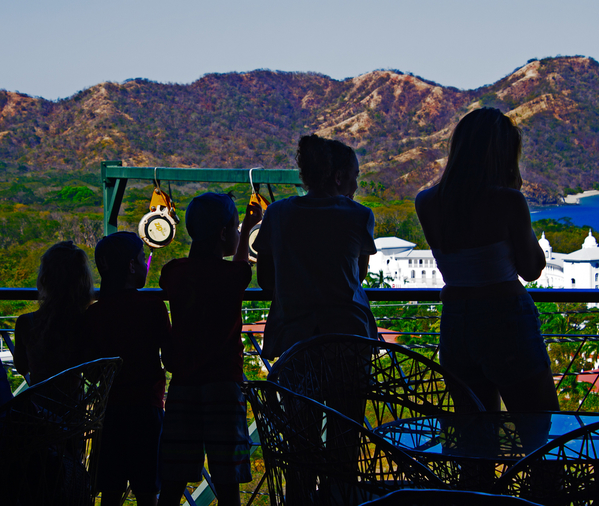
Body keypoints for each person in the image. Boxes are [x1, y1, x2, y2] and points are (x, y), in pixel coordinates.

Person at [415, 107, 559, 412]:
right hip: (506, 320)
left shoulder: (426, 202)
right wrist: (514, 191)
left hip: (454, 322)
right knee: (540, 430)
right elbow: (532, 269)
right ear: (504, 154)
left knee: (474, 436)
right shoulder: (508, 201)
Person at [157, 193, 262, 506]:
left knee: (173, 480)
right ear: (223, 234)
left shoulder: (173, 273)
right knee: (227, 479)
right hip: (224, 387)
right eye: (236, 228)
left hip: (183, 386)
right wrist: (254, 225)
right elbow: (241, 268)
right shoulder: (232, 275)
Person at [253, 134, 377, 360]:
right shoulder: (359, 215)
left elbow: (265, 279)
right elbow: (357, 276)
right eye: (354, 176)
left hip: (294, 336)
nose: (356, 185)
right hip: (349, 335)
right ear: (338, 177)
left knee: (298, 395)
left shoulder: (277, 213)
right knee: (349, 394)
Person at [86, 232, 170, 506]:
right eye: (142, 259)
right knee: (148, 490)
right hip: (147, 407)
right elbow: (169, 357)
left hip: (108, 411)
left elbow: (90, 369)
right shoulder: (152, 306)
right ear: (132, 266)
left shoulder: (95, 314)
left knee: (110, 490)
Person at [14, 241, 94, 385]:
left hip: (37, 404)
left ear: (44, 279)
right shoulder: (86, 322)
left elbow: (21, 368)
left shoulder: (26, 323)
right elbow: (92, 373)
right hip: (75, 405)